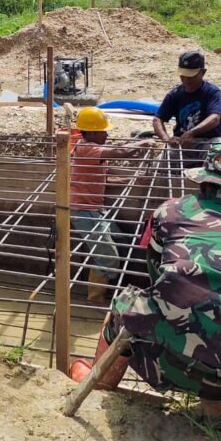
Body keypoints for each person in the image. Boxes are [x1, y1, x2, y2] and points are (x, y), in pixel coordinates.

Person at [69, 143, 221, 421]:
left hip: (163, 363)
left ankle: (100, 382)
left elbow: (156, 273)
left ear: (203, 180)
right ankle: (218, 408)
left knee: (125, 304)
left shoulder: (170, 211)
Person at [70, 107, 153, 301]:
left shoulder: (94, 152)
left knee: (123, 245)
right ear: (89, 132)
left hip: (97, 210)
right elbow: (121, 152)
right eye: (103, 131)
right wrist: (143, 142)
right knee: (108, 256)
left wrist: (132, 180)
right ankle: (95, 298)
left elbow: (104, 179)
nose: (107, 134)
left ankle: (110, 289)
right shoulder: (86, 149)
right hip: (84, 211)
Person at [152, 50, 221, 167]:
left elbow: (215, 118)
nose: (186, 80)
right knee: (156, 167)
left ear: (202, 72)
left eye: (191, 76)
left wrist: (192, 133)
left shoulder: (212, 92)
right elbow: (157, 120)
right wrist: (167, 139)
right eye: (183, 76)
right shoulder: (175, 94)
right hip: (182, 145)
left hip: (208, 142)